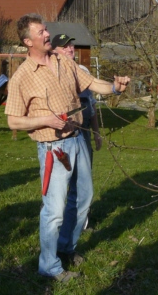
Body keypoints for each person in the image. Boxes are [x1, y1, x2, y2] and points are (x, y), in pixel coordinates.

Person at [5, 14, 130, 282]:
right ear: (28, 41)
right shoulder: (22, 77)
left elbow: (91, 84)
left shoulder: (64, 61)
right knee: (54, 210)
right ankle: (49, 266)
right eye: (41, 32)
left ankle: (66, 247)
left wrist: (114, 88)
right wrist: (44, 120)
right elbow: (13, 120)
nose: (47, 34)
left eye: (46, 30)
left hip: (77, 139)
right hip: (53, 148)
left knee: (83, 198)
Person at [52, 33, 102, 231]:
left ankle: (83, 220)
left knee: (83, 178)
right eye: (64, 47)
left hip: (84, 131)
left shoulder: (82, 70)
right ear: (55, 51)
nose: (70, 49)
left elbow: (91, 104)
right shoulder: (52, 72)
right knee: (61, 178)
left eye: (71, 45)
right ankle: (58, 219)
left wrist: (96, 133)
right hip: (62, 135)